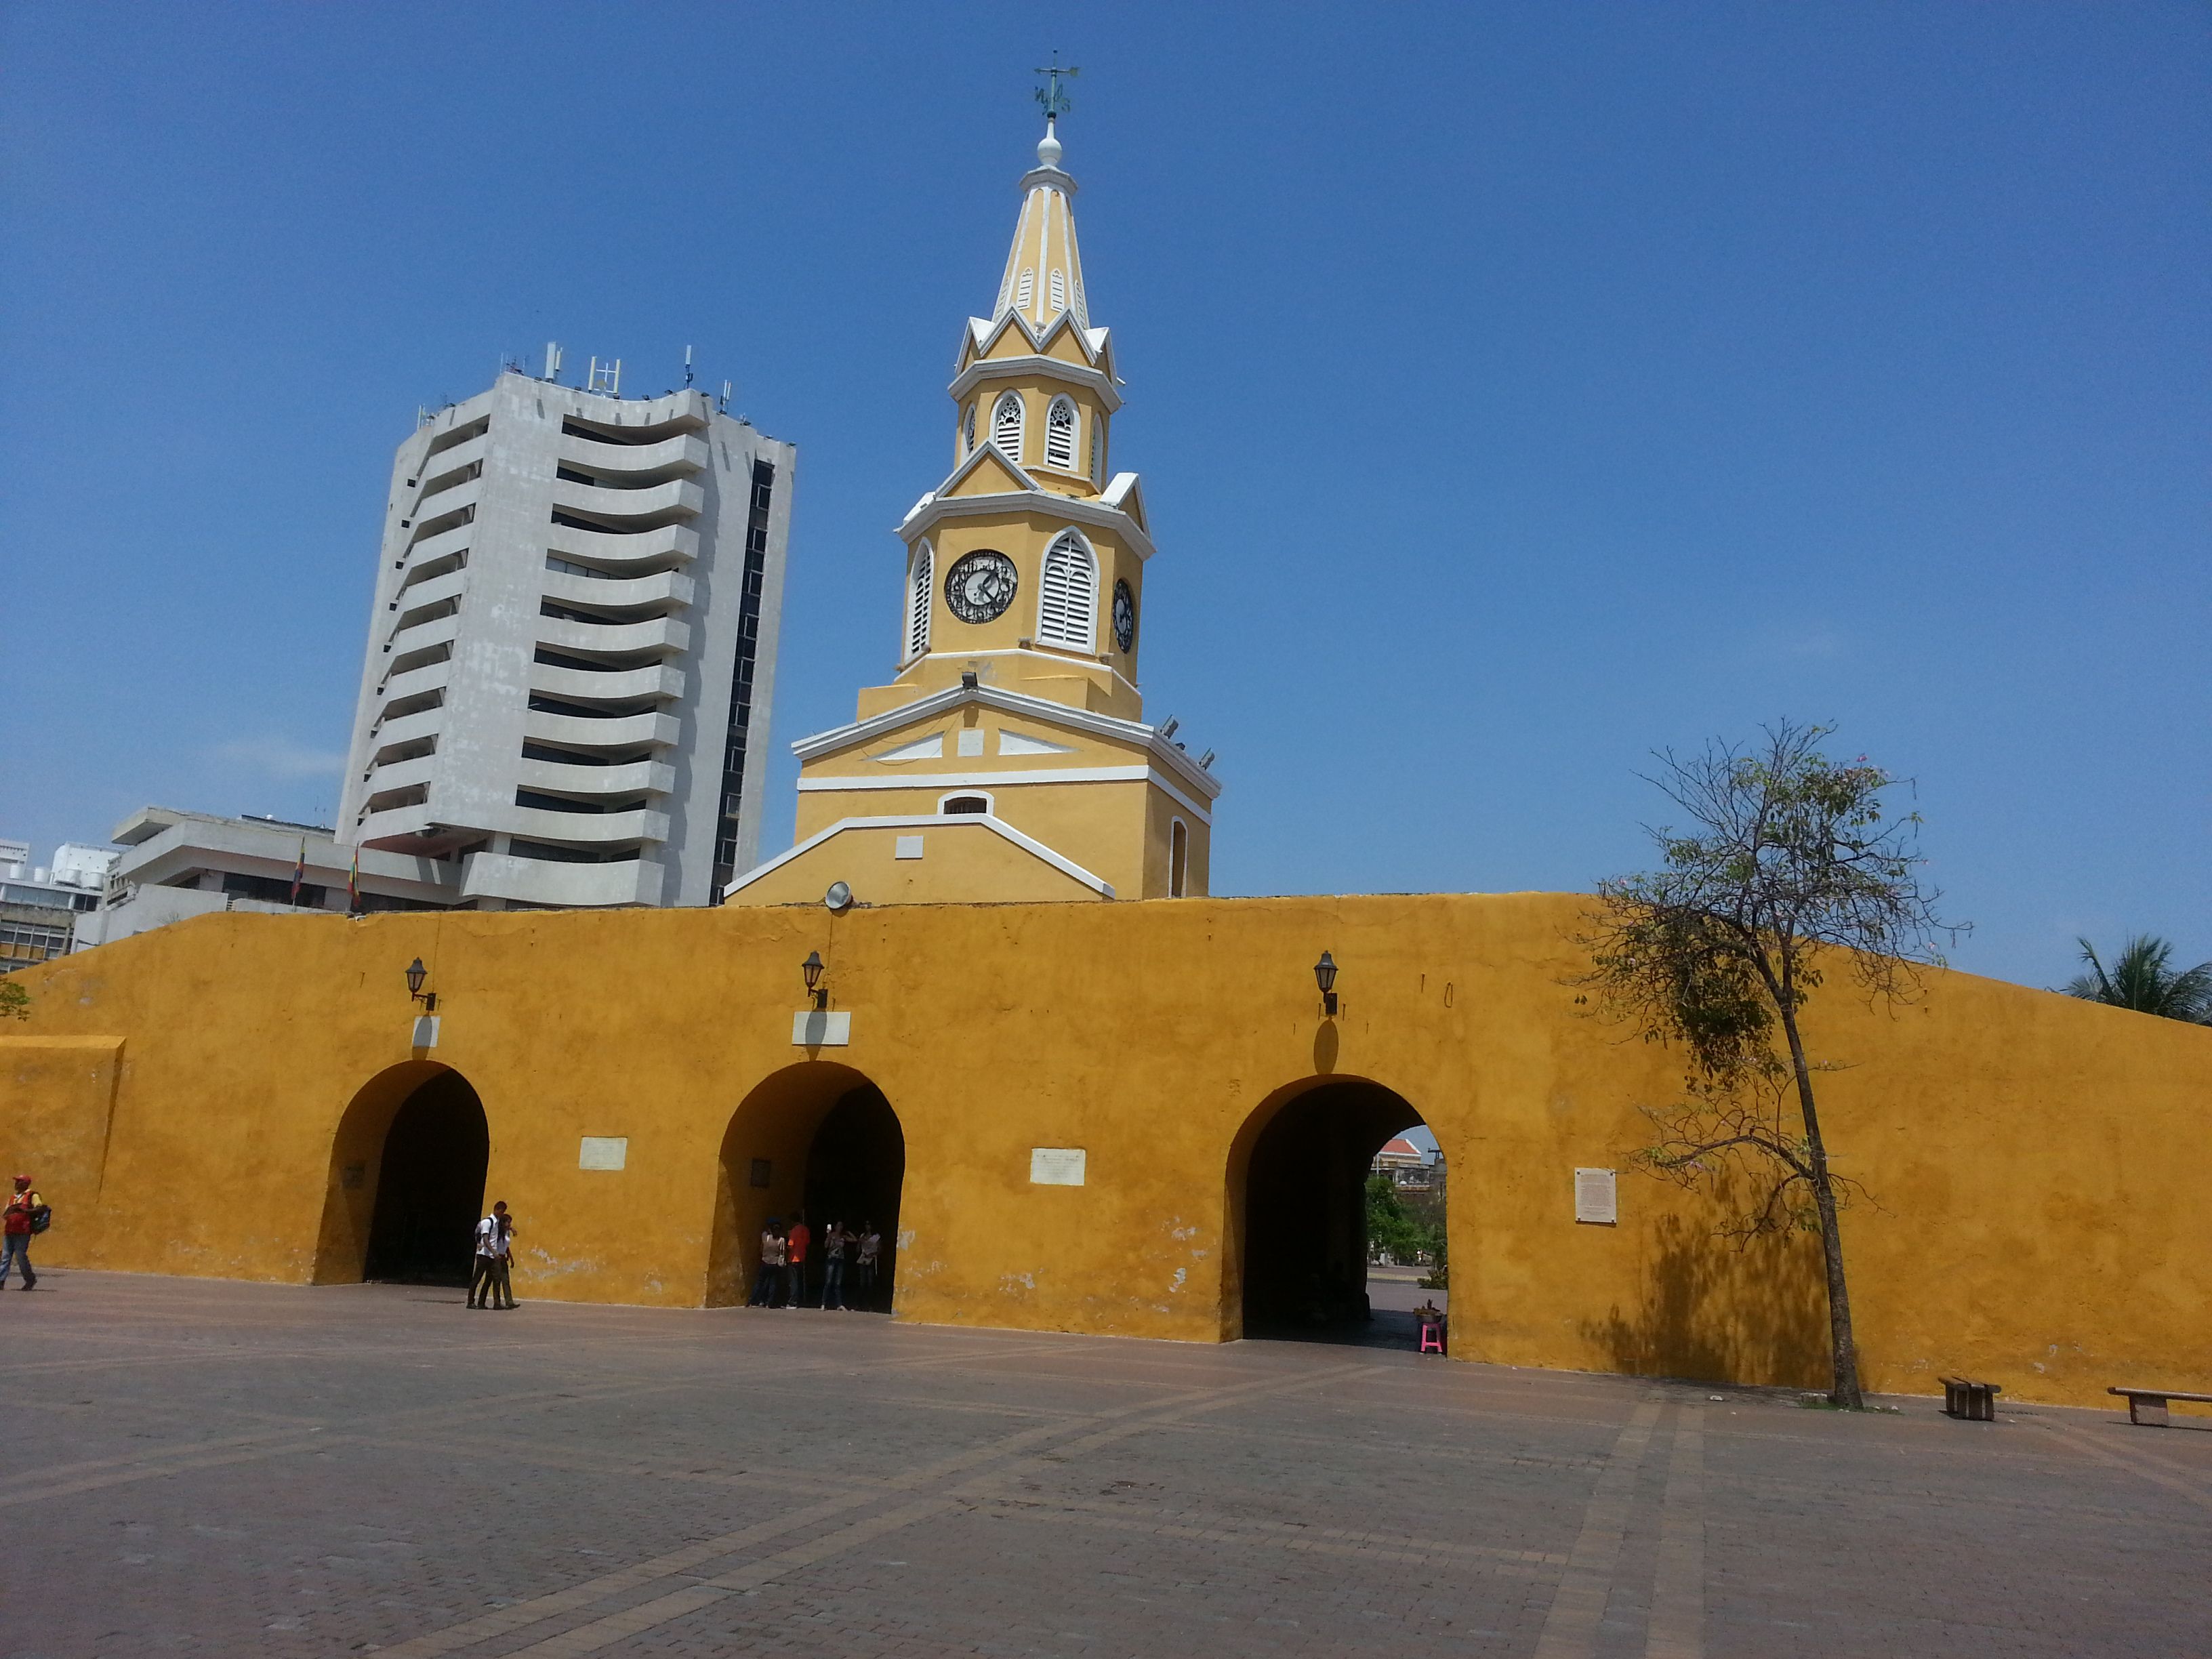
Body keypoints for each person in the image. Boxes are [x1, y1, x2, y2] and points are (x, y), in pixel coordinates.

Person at [1, 1174, 41, 1291]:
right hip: (10, 1230)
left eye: (19, 1181)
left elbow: (39, 1208)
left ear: (25, 1184)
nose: (16, 1184)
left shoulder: (32, 1195)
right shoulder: (13, 1198)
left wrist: (25, 1210)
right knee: (5, 1257)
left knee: (20, 1256)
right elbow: (6, 1213)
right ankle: (1, 1280)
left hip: (23, 1231)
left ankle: (30, 1279)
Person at [468, 1202, 506, 1309]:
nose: (502, 1214)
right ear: (497, 1210)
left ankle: (482, 1303)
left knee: (490, 1280)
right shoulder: (487, 1222)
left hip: (492, 1256)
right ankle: (470, 1302)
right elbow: (485, 1239)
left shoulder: (497, 1223)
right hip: (484, 1255)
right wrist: (493, 1252)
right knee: (477, 1279)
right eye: (502, 1211)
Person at [486, 1204, 518, 1310]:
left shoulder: (507, 1233)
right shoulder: (497, 1232)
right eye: (508, 1222)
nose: (509, 1224)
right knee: (496, 1281)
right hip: (496, 1258)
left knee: (506, 1280)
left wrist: (511, 1258)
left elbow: (506, 1247)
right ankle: (497, 1303)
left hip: (503, 1258)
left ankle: (509, 1301)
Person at [749, 1220, 785, 1307]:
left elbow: (762, 1248)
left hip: (765, 1261)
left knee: (760, 1282)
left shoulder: (766, 1238)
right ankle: (770, 1302)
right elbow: (782, 1253)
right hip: (775, 1263)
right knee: (773, 1283)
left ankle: (752, 1300)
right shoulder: (781, 1240)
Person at [819, 1220, 849, 1310]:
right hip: (831, 1259)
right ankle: (823, 1303)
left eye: (841, 1225)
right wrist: (828, 1235)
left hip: (840, 1259)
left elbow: (855, 1239)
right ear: (835, 1226)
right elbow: (826, 1246)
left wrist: (848, 1233)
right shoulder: (831, 1235)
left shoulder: (843, 1237)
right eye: (839, 1225)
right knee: (828, 1281)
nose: (840, 1227)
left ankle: (839, 1304)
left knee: (838, 1283)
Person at [783, 1211, 810, 1307]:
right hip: (802, 1257)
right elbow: (807, 1242)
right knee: (800, 1280)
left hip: (793, 1258)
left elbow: (790, 1246)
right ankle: (801, 1299)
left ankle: (792, 1302)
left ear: (792, 1221)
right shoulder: (806, 1230)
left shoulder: (794, 1231)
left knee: (793, 1281)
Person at [855, 1223, 881, 1307]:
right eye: (866, 1224)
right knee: (862, 1283)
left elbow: (880, 1249)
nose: (867, 1226)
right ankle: (860, 1304)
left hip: (872, 1259)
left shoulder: (876, 1237)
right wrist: (859, 1242)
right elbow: (858, 1250)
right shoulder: (862, 1235)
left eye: (869, 1224)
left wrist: (873, 1254)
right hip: (863, 1259)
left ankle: (870, 1304)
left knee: (870, 1283)